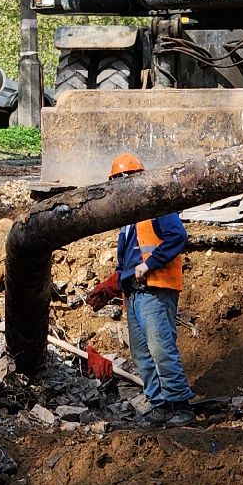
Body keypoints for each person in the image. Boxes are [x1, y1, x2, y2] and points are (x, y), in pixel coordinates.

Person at [85, 154, 195, 426]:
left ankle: (180, 406)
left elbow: (177, 237)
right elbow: (130, 265)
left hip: (155, 291)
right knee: (143, 355)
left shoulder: (156, 207)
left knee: (161, 349)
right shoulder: (128, 223)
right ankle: (160, 405)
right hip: (134, 294)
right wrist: (109, 287)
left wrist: (151, 265)